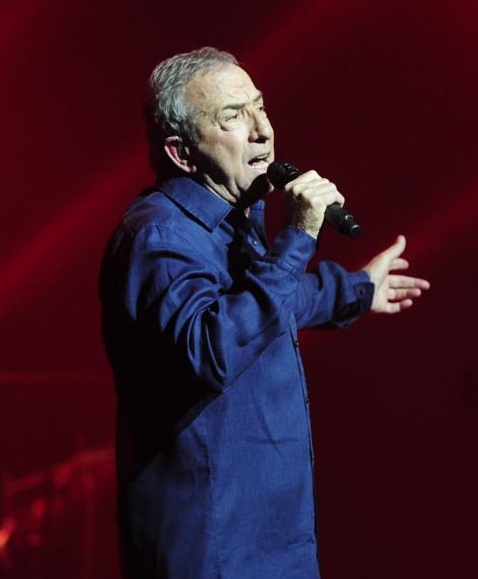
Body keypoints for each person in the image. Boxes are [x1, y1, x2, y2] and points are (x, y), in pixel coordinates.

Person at [99, 47, 429, 578]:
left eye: (260, 107)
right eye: (232, 116)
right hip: (215, 550)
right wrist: (297, 237)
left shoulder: (233, 225)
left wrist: (359, 289)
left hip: (272, 545)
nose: (262, 132)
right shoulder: (160, 236)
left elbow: (270, 304)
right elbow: (213, 347)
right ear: (182, 153)